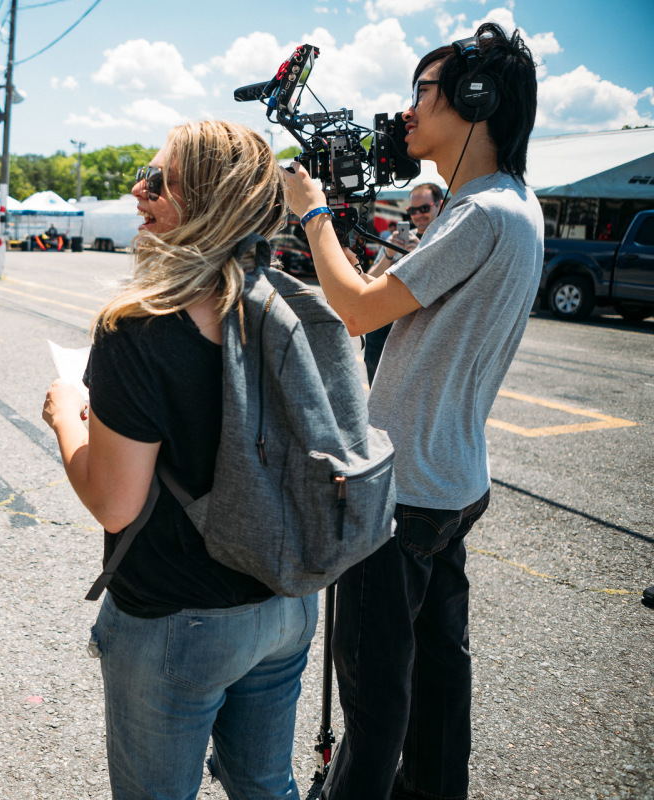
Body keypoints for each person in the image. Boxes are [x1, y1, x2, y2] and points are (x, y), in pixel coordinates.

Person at [282, 23, 543, 800]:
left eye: (420, 93)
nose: (406, 112)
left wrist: (313, 212)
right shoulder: (512, 206)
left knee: (375, 705)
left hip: (401, 496)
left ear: (474, 99)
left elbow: (358, 312)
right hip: (453, 482)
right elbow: (396, 303)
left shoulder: (480, 215)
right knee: (436, 687)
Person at [43, 120, 317, 799]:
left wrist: (63, 418)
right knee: (265, 786)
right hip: (285, 599)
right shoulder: (285, 302)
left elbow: (114, 501)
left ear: (206, 199)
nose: (138, 189)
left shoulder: (137, 325)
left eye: (157, 179)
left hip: (178, 618)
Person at [362, 182, 444, 383]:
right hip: (383, 328)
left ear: (439, 206)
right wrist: (388, 254)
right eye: (413, 210)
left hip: (418, 332)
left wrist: (420, 253)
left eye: (424, 208)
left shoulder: (443, 240)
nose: (418, 215)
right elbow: (369, 281)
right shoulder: (397, 241)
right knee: (377, 388)